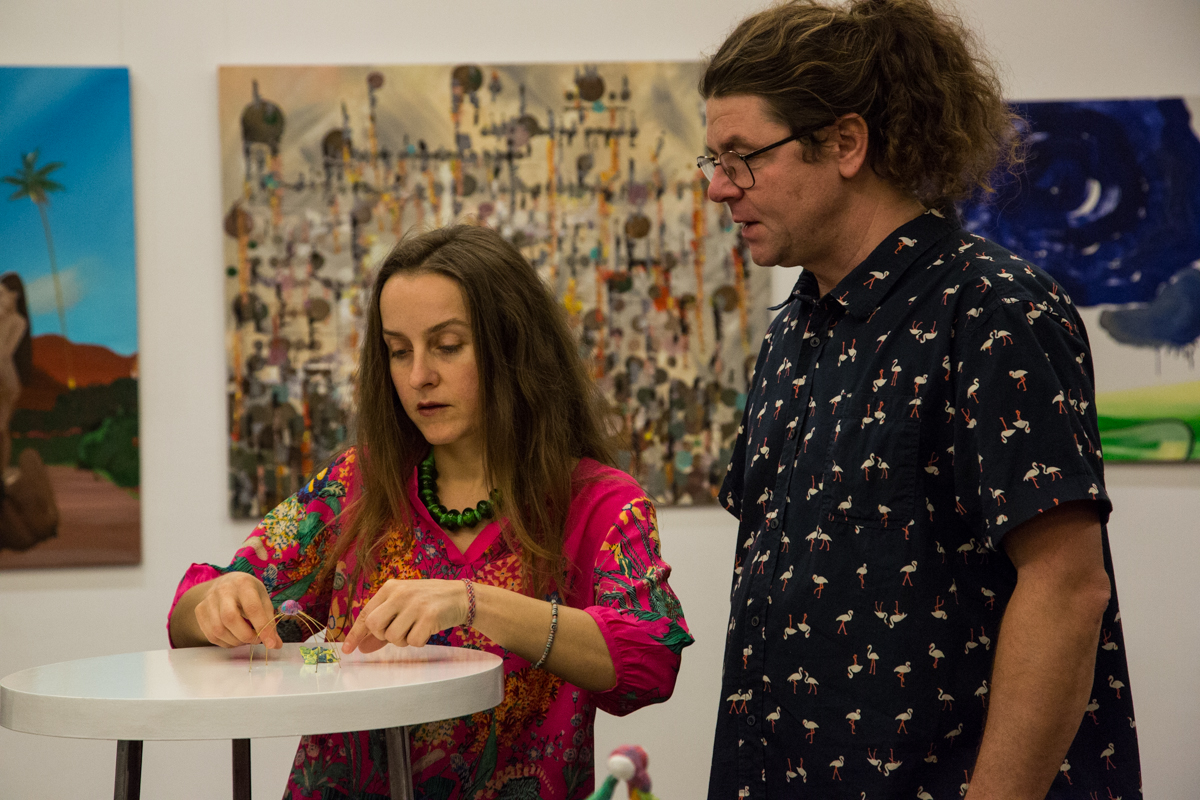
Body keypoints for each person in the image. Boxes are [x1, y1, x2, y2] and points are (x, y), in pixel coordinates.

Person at [697, 1, 1139, 798]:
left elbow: (1068, 590)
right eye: (713, 159)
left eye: (741, 156)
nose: (719, 188)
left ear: (845, 143)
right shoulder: (795, 330)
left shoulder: (992, 309)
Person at [168, 225, 693, 799]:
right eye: (399, 351)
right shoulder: (356, 483)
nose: (419, 376)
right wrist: (217, 602)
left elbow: (649, 658)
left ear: (513, 347)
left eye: (447, 346)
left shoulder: (600, 503)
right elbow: (189, 614)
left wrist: (473, 601)